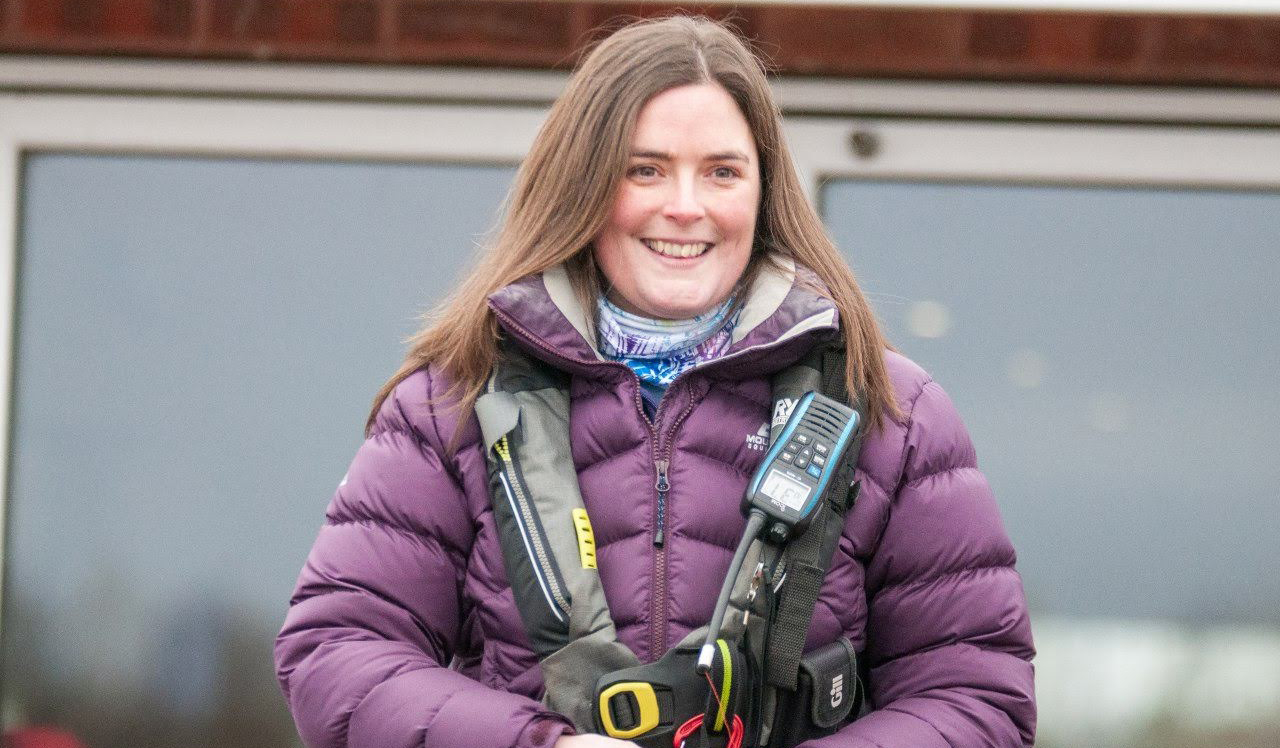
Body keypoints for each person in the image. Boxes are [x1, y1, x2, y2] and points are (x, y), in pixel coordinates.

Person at [275, 15, 1035, 748]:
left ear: (763, 192)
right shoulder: (452, 404)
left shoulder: (890, 414)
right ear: (584, 184)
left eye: (722, 172)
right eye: (645, 169)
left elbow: (978, 697)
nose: (685, 206)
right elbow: (336, 654)